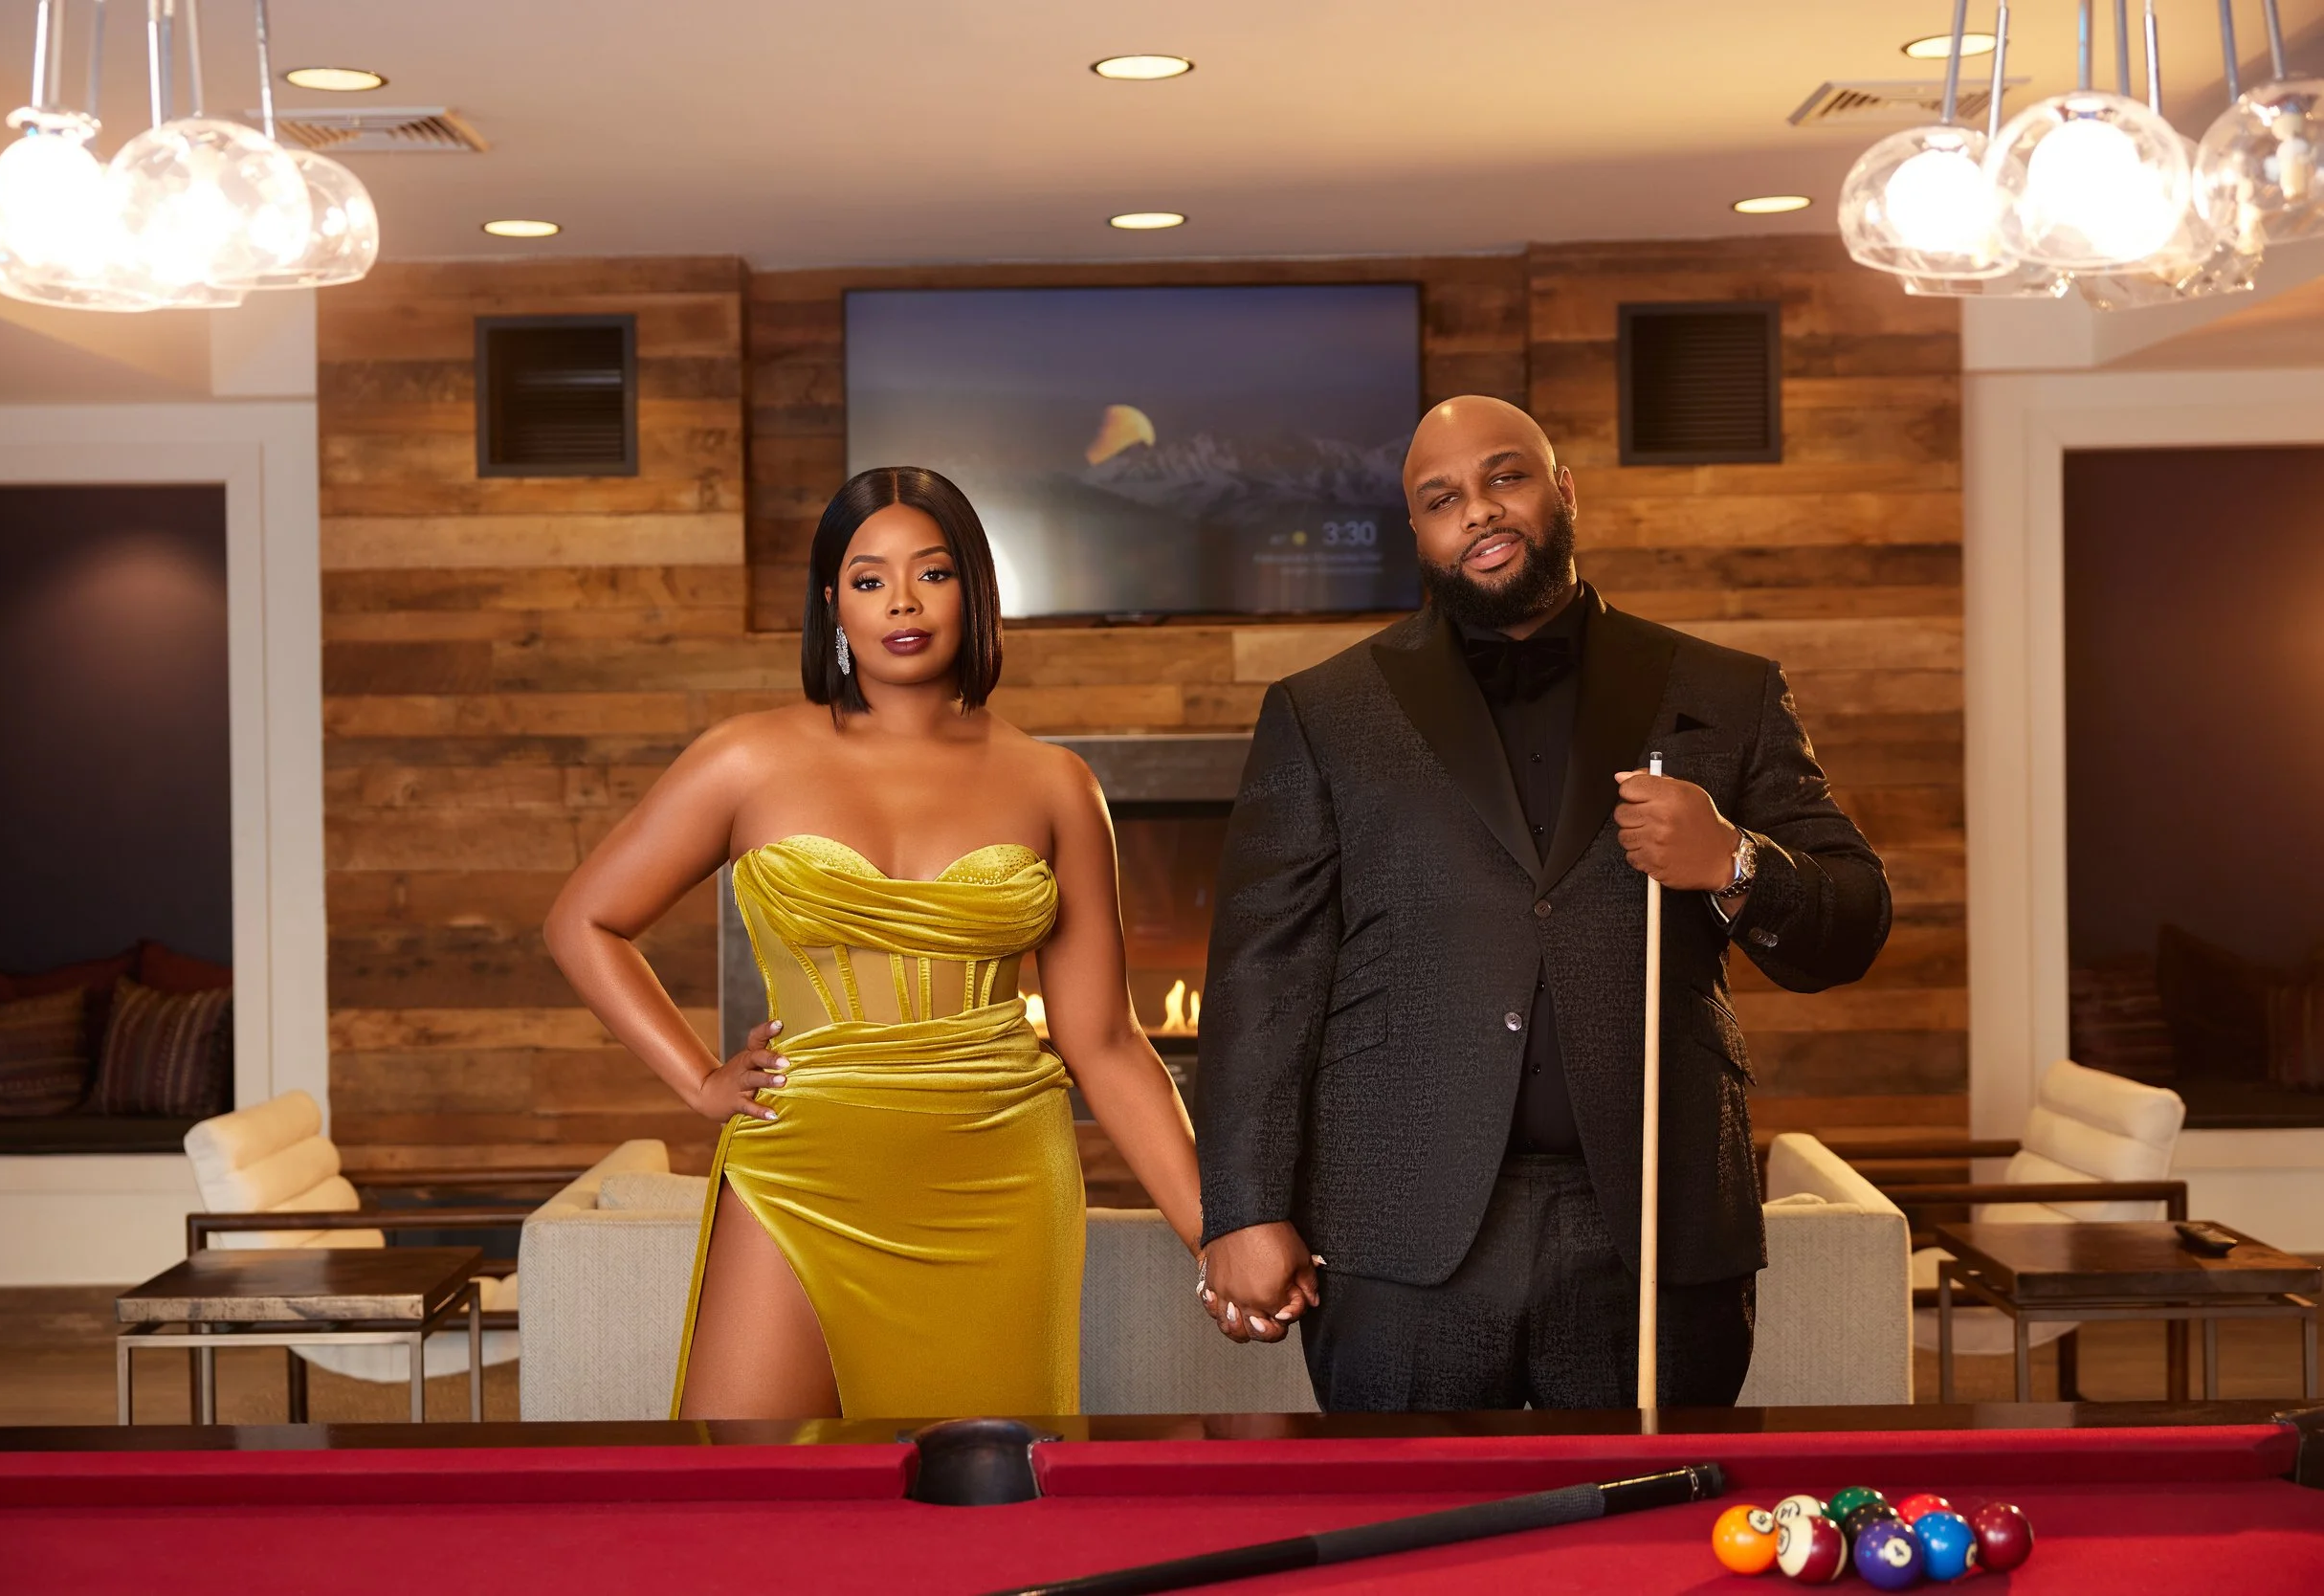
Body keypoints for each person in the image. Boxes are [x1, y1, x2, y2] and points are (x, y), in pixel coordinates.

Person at [1193, 396, 1891, 1410]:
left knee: (1645, 1515)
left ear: (1563, 490)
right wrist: (1242, 1207)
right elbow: (1262, 978)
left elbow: (1853, 922)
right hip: (1399, 1230)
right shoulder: (1322, 712)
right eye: (1442, 499)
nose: (1478, 510)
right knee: (1415, 1517)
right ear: (1418, 532)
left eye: (1505, 477)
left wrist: (1735, 861)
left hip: (1657, 1219)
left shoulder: (1725, 691)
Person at [544, 466, 1204, 1421]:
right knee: (742, 1483)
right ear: (832, 602)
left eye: (932, 573)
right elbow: (583, 922)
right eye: (868, 578)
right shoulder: (745, 759)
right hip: (802, 1166)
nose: (902, 601)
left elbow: (1103, 1041)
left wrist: (1218, 1236)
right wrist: (698, 1081)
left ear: (973, 591)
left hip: (1001, 1176)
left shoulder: (1055, 784)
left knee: (979, 1492)